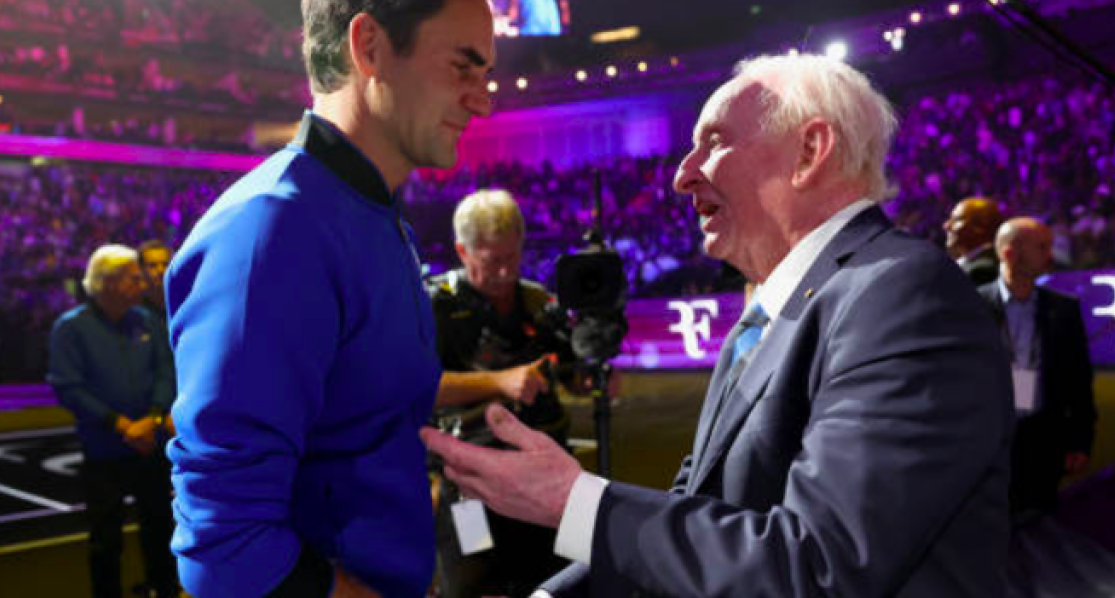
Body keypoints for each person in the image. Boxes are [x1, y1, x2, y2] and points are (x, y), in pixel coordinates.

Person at [424, 53, 1014, 597]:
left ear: (810, 151)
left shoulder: (900, 295)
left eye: (713, 142)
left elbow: (819, 566)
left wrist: (576, 505)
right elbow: (696, 509)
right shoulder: (765, 321)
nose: (683, 174)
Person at [164, 0, 495, 596]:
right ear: (370, 45)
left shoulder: (373, 215)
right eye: (463, 66)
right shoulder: (271, 229)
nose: (483, 99)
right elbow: (227, 549)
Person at [427, 188, 573, 598]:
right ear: (463, 251)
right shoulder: (435, 307)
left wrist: (592, 364)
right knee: (476, 587)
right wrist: (503, 381)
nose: (506, 272)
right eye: (493, 261)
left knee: (554, 587)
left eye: (513, 257)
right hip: (468, 490)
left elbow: (578, 374)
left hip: (544, 480)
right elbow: (419, 387)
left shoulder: (538, 302)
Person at [46, 244, 178, 598]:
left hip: (149, 446)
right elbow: (68, 388)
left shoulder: (147, 321)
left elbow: (165, 372)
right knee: (105, 540)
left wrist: (152, 418)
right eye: (134, 277)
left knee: (160, 530)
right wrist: (119, 425)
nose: (142, 282)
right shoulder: (71, 328)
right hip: (105, 451)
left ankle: (164, 590)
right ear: (109, 282)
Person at [980, 217, 1097, 516]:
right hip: (987, 444)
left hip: (1045, 440)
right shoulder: (972, 305)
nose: (1050, 255)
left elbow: (1079, 378)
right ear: (1009, 253)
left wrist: (1081, 440)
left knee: (1043, 531)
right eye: (1041, 247)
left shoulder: (1064, 309)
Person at [944, 196, 1003, 286]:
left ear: (980, 226)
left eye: (956, 219)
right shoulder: (968, 264)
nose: (946, 225)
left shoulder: (981, 271)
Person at [136, 239, 172, 324]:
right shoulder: (133, 308)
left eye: (165, 264)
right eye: (152, 266)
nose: (160, 270)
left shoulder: (183, 303)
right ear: (140, 270)